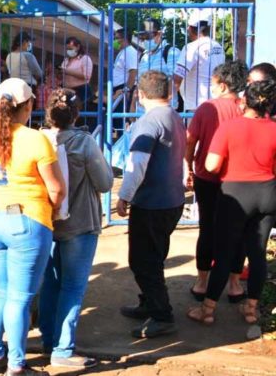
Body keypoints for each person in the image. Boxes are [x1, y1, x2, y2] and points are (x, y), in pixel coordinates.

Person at [0, 78, 66, 376]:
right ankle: (16, 366)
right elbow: (56, 189)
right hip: (27, 222)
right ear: (29, 105)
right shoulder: (35, 139)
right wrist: (50, 212)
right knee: (19, 298)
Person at [187, 79, 276, 326]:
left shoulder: (230, 127)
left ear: (244, 100)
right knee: (257, 254)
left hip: (236, 194)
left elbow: (211, 165)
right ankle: (250, 310)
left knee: (224, 253)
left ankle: (207, 310)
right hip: (267, 194)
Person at [38, 89, 113, 370]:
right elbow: (105, 183)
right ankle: (63, 350)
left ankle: (49, 340)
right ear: (77, 114)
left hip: (46, 222)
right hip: (80, 224)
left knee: (51, 284)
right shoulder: (85, 143)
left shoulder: (39, 140)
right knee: (72, 287)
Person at [116, 71, 186, 339]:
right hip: (171, 200)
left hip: (152, 204)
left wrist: (124, 196)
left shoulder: (148, 123)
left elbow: (136, 166)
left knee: (143, 261)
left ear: (141, 95)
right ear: (168, 92)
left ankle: (161, 314)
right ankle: (148, 303)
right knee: (154, 257)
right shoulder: (174, 117)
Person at [185, 62, 247, 303]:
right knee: (237, 231)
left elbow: (191, 142)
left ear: (222, 85)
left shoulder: (207, 108)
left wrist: (187, 167)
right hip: (238, 179)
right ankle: (234, 285)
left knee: (207, 229)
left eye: (211, 83)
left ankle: (202, 283)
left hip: (207, 177)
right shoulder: (247, 109)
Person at [173, 14, 225, 111]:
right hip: (216, 104)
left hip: (196, 106)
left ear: (190, 29)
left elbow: (177, 79)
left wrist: (165, 101)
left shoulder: (191, 47)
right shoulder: (218, 46)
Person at [135, 18, 181, 110]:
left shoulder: (171, 53)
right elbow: (138, 84)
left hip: (163, 111)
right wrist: (132, 110)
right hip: (141, 113)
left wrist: (160, 104)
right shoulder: (143, 57)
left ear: (159, 34)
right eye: (142, 37)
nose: (145, 40)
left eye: (148, 36)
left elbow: (175, 81)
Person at [60, 37, 94, 105]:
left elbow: (86, 76)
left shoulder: (85, 59)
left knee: (80, 111)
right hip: (67, 90)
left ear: (78, 47)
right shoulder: (66, 60)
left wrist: (68, 71)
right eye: (67, 49)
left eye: (71, 49)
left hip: (81, 91)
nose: (68, 51)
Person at [111, 29, 139, 108]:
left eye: (116, 38)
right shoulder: (123, 52)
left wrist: (127, 90)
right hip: (118, 89)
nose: (115, 41)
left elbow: (133, 72)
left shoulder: (130, 52)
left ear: (124, 39)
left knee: (120, 117)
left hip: (123, 89)